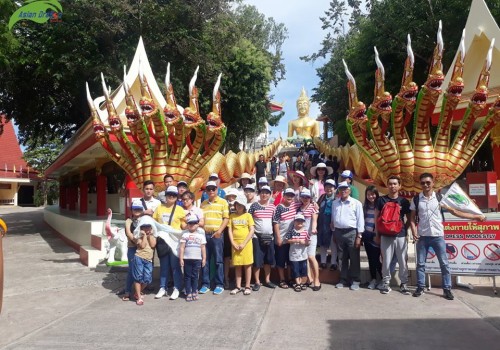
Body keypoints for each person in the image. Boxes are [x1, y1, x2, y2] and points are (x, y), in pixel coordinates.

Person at [410, 173, 486, 300]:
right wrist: (413, 231)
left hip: (438, 236)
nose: (425, 185)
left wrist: (475, 216)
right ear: (420, 184)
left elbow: (456, 211)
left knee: (444, 264)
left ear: (433, 183)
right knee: (420, 264)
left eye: (428, 182)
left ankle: (447, 289)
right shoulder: (416, 199)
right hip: (422, 237)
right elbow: (412, 218)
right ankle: (420, 287)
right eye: (423, 183)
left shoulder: (441, 198)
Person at [374, 175, 411, 295]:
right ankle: (385, 283)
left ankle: (404, 283)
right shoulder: (381, 200)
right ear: (387, 185)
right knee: (386, 260)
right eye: (390, 184)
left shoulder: (404, 201)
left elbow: (409, 219)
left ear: (399, 186)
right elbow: (376, 218)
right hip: (385, 234)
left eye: (395, 184)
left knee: (402, 260)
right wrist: (377, 234)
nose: (392, 186)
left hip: (400, 235)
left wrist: (406, 231)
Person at [153, 186, 187, 301]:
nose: (171, 197)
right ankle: (163, 287)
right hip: (162, 240)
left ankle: (177, 287)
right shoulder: (159, 208)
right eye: (169, 194)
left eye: (173, 195)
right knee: (164, 266)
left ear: (176, 197)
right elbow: (155, 224)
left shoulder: (180, 209)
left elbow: (184, 225)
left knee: (175, 266)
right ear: (166, 195)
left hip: (175, 241)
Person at [331, 181, 364, 291]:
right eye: (341, 189)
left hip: (352, 232)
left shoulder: (356, 203)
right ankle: (343, 279)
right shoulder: (335, 203)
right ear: (338, 191)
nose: (343, 191)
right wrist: (334, 231)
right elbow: (333, 218)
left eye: (345, 189)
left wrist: (359, 236)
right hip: (339, 232)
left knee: (354, 257)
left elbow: (360, 220)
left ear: (349, 190)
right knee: (341, 257)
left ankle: (355, 280)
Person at [200, 181, 229, 295]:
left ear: (217, 190)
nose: (211, 191)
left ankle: (219, 284)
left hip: (217, 235)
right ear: (206, 191)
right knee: (205, 260)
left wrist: (219, 231)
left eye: (213, 188)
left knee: (218, 260)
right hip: (205, 234)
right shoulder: (203, 204)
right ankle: (205, 284)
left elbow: (226, 218)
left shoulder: (223, 202)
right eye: (209, 189)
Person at [248, 185, 277, 290]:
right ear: (259, 194)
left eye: (266, 192)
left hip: (269, 237)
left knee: (268, 260)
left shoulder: (273, 207)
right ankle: (257, 282)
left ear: (270, 195)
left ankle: (268, 280)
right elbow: (249, 221)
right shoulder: (254, 206)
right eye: (262, 192)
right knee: (257, 260)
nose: (264, 194)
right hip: (257, 237)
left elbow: (275, 222)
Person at [228, 195, 255, 296]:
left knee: (247, 265)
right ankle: (238, 286)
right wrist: (233, 243)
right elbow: (230, 230)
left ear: (244, 206)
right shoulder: (232, 216)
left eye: (240, 205)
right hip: (235, 244)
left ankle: (247, 286)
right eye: (237, 204)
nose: (238, 206)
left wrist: (244, 243)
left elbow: (252, 230)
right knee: (237, 265)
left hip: (246, 244)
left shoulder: (248, 216)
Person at [273, 187, 298, 289]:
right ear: (284, 196)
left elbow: (308, 202)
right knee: (281, 260)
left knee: (290, 260)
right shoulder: (278, 207)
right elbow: (276, 223)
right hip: (282, 239)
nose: (290, 197)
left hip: (291, 240)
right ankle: (282, 279)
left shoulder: (295, 205)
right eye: (288, 195)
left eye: (292, 196)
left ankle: (290, 278)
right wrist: (278, 237)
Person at [120, 200, 144, 301]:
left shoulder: (145, 220)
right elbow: (129, 233)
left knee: (141, 270)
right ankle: (127, 291)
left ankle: (139, 291)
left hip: (143, 248)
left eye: (139, 209)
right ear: (132, 210)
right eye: (135, 209)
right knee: (131, 270)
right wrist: (137, 241)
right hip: (132, 247)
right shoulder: (128, 221)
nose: (137, 211)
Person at [179, 215, 206, 302]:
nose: (192, 225)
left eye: (194, 223)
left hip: (197, 259)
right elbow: (182, 247)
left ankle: (194, 291)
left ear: (198, 224)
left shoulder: (201, 235)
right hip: (187, 259)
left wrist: (204, 259)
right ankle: (188, 292)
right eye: (190, 223)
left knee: (195, 276)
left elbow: (203, 248)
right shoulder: (185, 235)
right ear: (187, 225)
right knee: (187, 276)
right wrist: (181, 258)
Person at [297, 188, 320, 290]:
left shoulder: (313, 207)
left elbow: (314, 220)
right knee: (305, 258)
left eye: (307, 197)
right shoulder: (299, 208)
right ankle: (309, 278)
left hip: (310, 236)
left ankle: (317, 280)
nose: (305, 199)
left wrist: (314, 229)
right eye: (303, 197)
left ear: (310, 198)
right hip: (301, 236)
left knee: (311, 257)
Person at [131, 216, 157, 306]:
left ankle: (138, 292)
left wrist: (149, 235)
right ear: (141, 227)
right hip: (139, 257)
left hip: (148, 260)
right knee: (138, 277)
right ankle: (138, 296)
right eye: (144, 227)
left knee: (147, 279)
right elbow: (142, 245)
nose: (146, 228)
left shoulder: (153, 236)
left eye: (148, 226)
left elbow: (153, 245)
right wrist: (144, 235)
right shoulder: (137, 236)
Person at [362, 185, 383, 290]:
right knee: (370, 259)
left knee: (377, 259)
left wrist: (377, 234)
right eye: (369, 194)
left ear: (377, 195)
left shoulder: (380, 206)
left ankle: (383, 279)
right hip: (367, 235)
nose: (371, 196)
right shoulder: (364, 207)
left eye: (373, 194)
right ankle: (373, 279)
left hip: (376, 235)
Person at [283, 213, 310, 292]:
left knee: (303, 269)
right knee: (295, 270)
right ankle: (297, 283)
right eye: (298, 221)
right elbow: (286, 240)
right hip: (294, 255)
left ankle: (302, 283)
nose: (299, 223)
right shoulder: (291, 231)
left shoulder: (305, 232)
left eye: (301, 221)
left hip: (303, 255)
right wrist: (296, 240)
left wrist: (305, 242)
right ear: (294, 222)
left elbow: (309, 242)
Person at [317, 179, 337, 270]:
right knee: (323, 243)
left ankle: (333, 262)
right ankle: (323, 262)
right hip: (322, 223)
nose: (329, 188)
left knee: (333, 244)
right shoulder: (322, 197)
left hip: (332, 224)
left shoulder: (337, 198)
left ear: (334, 188)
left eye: (331, 187)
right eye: (327, 186)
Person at [223, 188, 239, 289]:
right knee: (226, 258)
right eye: (230, 196)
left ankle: (238, 279)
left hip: (237, 235)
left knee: (237, 257)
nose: (231, 198)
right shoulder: (224, 207)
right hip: (226, 235)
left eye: (233, 196)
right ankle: (226, 278)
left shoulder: (241, 208)